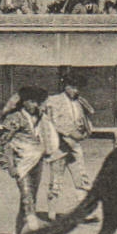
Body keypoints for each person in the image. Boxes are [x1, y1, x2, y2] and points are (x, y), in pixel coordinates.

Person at [0, 85, 48, 234]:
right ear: (24, 102)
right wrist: (9, 166)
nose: (35, 105)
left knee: (28, 199)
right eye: (32, 101)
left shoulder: (40, 116)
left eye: (37, 101)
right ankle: (36, 233)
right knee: (27, 197)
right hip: (21, 164)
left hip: (37, 162)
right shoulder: (15, 118)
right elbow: (0, 145)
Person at [42, 70, 96, 211]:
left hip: (74, 145)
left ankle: (84, 211)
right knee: (56, 180)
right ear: (65, 86)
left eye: (78, 87)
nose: (76, 90)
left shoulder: (79, 102)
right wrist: (72, 134)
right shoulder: (54, 100)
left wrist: (84, 131)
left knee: (81, 176)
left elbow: (85, 120)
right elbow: (54, 122)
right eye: (72, 87)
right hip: (59, 145)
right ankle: (52, 212)